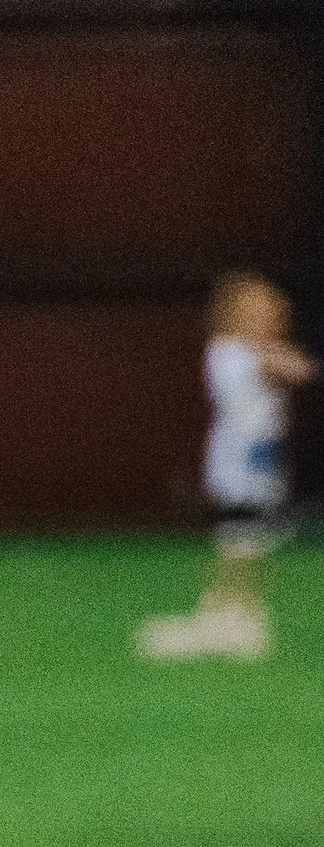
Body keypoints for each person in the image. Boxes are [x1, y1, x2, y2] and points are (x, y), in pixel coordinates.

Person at [136, 271, 312, 662]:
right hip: (238, 461)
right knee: (238, 539)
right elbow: (286, 370)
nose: (272, 316)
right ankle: (223, 613)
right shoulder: (229, 353)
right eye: (261, 309)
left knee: (255, 540)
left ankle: (242, 613)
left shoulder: (255, 350)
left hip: (264, 458)